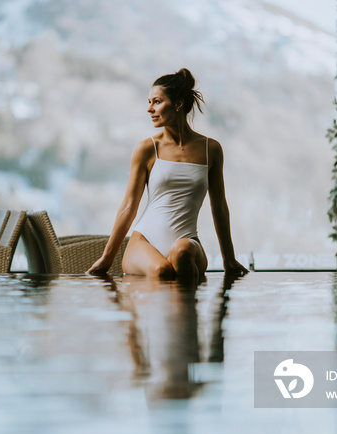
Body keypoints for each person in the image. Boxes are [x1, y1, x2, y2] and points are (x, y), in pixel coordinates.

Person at [87, 68, 248, 281]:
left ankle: (185, 314)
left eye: (156, 102)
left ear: (178, 104)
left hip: (187, 241)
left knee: (181, 253)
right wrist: (106, 259)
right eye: (149, 102)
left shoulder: (212, 150)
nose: (149, 109)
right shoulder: (146, 148)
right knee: (161, 271)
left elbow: (219, 206)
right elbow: (129, 206)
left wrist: (229, 259)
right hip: (144, 242)